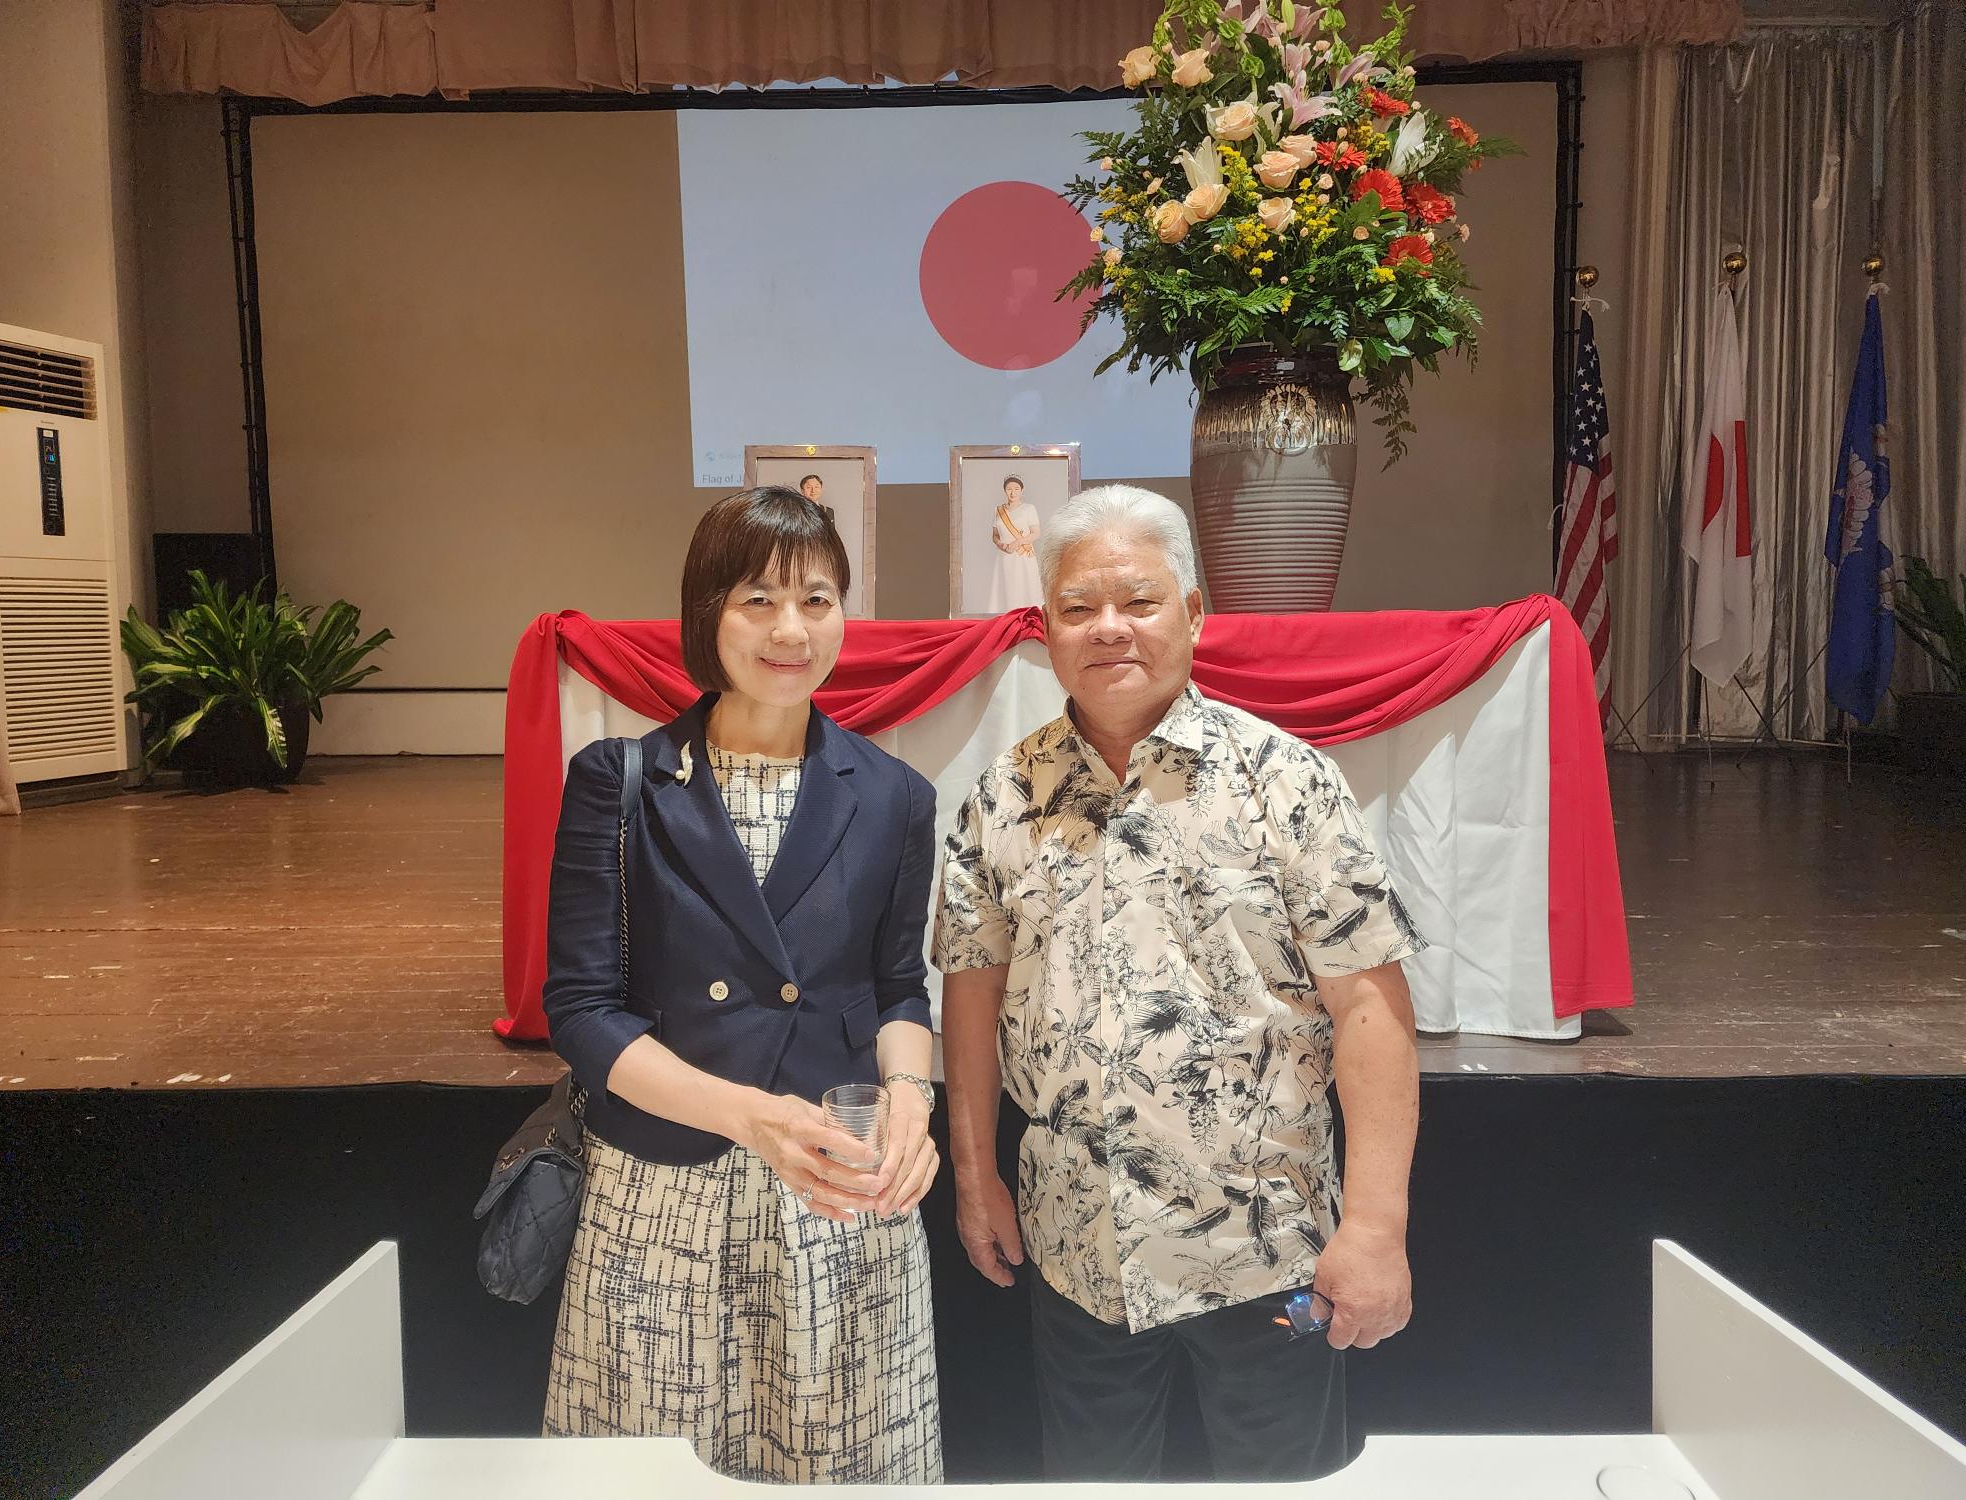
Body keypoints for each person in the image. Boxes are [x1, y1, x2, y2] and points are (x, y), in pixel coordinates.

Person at [933, 484, 1426, 1483]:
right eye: (1077, 608)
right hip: (1076, 1247)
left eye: (1139, 601)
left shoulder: (1283, 781)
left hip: (1266, 1247)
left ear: (1193, 613)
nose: (1107, 628)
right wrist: (975, 1170)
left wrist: (1375, 1225)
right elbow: (971, 991)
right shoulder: (1002, 797)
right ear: (1044, 628)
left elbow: (1368, 1010)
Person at [543, 486, 943, 1483]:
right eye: (757, 599)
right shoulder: (622, 779)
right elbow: (581, 1011)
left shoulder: (893, 795)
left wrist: (908, 1098)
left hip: (831, 1192)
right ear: (706, 613)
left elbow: (898, 988)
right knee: (655, 1467)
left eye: (816, 598)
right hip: (661, 1187)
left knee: (835, 1459)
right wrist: (747, 1117)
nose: (789, 628)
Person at [981, 474, 1043, 614]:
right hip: (1005, 558)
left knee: (1025, 588)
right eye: (1009, 489)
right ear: (1004, 490)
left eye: (1016, 488)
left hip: (1023, 557)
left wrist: (1017, 543)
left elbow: (1036, 533)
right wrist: (1000, 544)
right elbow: (995, 535)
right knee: (1006, 589)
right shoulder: (998, 510)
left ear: (1022, 490)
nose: (1012, 492)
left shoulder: (1029, 509)